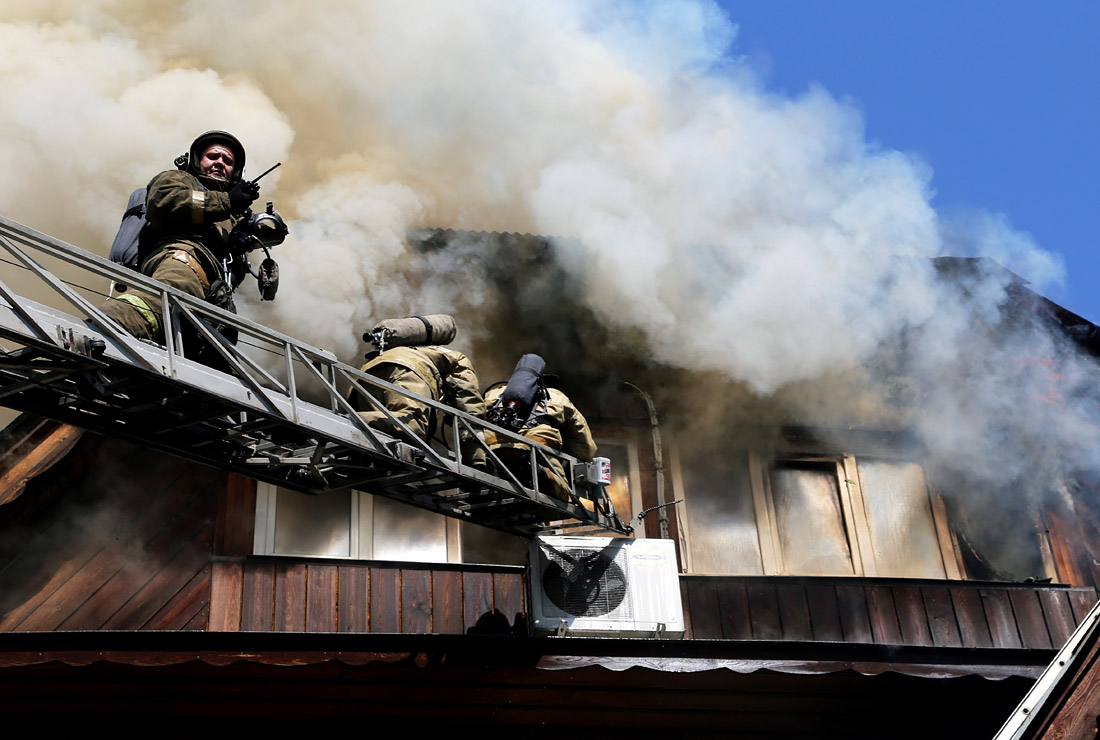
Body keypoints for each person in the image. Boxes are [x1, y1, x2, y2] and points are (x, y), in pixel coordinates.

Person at [103, 130, 261, 342]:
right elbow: (163, 202)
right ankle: (100, 329)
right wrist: (226, 202)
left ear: (235, 171)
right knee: (159, 301)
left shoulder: (232, 217)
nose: (220, 163)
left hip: (215, 298)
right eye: (213, 156)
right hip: (181, 262)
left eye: (227, 160)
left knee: (221, 364)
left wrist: (241, 241)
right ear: (197, 160)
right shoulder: (180, 179)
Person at [350, 323, 486, 465]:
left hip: (366, 373)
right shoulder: (454, 356)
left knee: (377, 442)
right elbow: (469, 402)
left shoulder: (393, 348)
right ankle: (351, 419)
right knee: (411, 424)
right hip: (406, 370)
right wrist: (477, 460)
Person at [483, 353, 596, 501]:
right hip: (537, 452)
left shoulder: (494, 394)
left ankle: (493, 469)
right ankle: (540, 473)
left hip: (494, 449)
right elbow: (585, 448)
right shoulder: (557, 397)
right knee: (562, 492)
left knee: (495, 468)